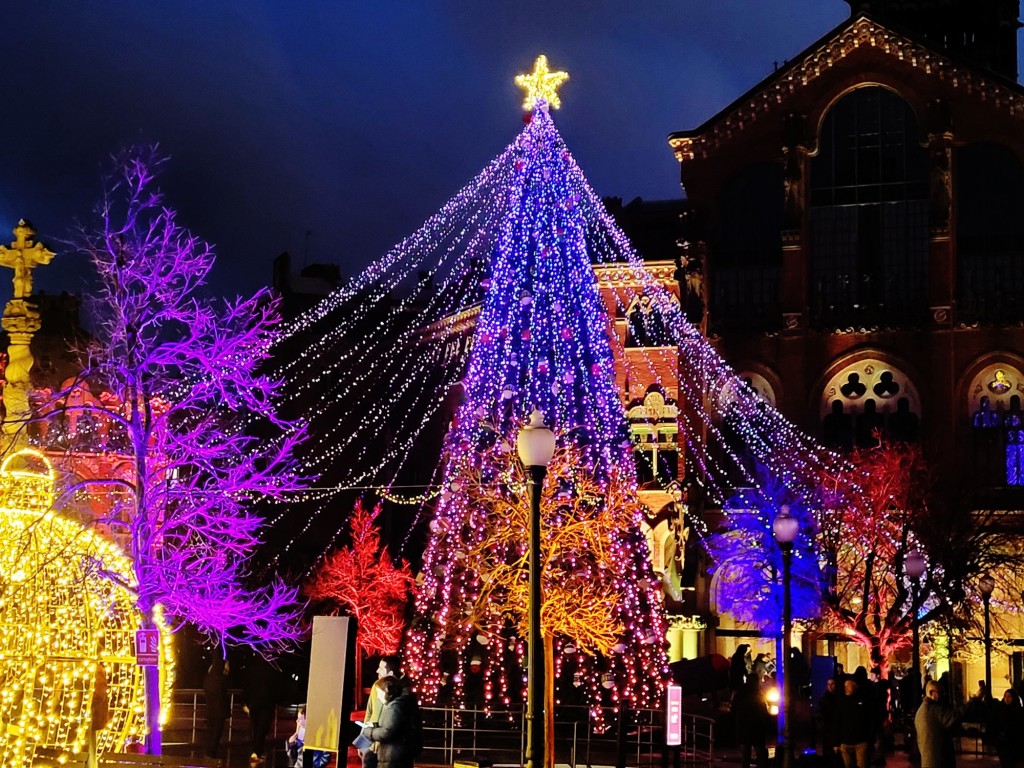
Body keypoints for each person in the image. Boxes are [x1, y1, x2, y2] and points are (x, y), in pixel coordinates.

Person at [361, 676, 421, 768]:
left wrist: (369, 731)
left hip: (393, 756)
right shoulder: (397, 704)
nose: (378, 696)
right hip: (393, 754)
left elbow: (388, 732)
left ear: (386, 691)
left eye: (379, 693)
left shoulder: (395, 706)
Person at [243, 652, 281, 763]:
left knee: (255, 727)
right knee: (262, 728)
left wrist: (245, 701)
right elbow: (276, 686)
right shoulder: (272, 669)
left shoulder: (252, 668)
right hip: (267, 702)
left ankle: (256, 750)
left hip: (254, 702)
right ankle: (257, 751)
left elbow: (246, 684)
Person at [915, 680, 960, 768]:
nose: (943, 695)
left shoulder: (921, 711)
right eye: (940, 693)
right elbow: (955, 716)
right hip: (939, 761)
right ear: (931, 693)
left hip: (928, 760)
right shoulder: (934, 710)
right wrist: (974, 701)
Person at [833, 677, 875, 768]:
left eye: (849, 686)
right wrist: (836, 742)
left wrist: (869, 739)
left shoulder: (863, 700)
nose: (846, 688)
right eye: (845, 686)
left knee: (862, 765)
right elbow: (837, 722)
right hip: (845, 741)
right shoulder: (841, 702)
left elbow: (870, 720)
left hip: (860, 741)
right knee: (848, 765)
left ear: (855, 687)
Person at [734, 677, 771, 768]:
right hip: (756, 729)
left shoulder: (739, 695)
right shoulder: (757, 696)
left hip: (743, 728)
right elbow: (763, 713)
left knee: (745, 757)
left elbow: (734, 710)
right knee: (762, 755)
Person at [203, 657, 231, 761]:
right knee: (216, 732)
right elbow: (225, 687)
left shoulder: (208, 678)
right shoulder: (222, 679)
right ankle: (212, 753)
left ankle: (208, 752)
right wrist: (226, 672)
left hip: (210, 709)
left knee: (210, 731)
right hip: (220, 710)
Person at [994, 689, 1024, 768]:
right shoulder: (1000, 710)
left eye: (1009, 696)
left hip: (1014, 742)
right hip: (1002, 741)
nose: (1006, 698)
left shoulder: (1018, 711)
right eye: (1005, 696)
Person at [817, 678, 840, 768]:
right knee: (828, 752)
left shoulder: (838, 697)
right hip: (828, 729)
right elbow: (819, 713)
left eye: (832, 684)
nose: (830, 686)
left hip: (835, 729)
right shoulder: (824, 699)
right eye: (828, 684)